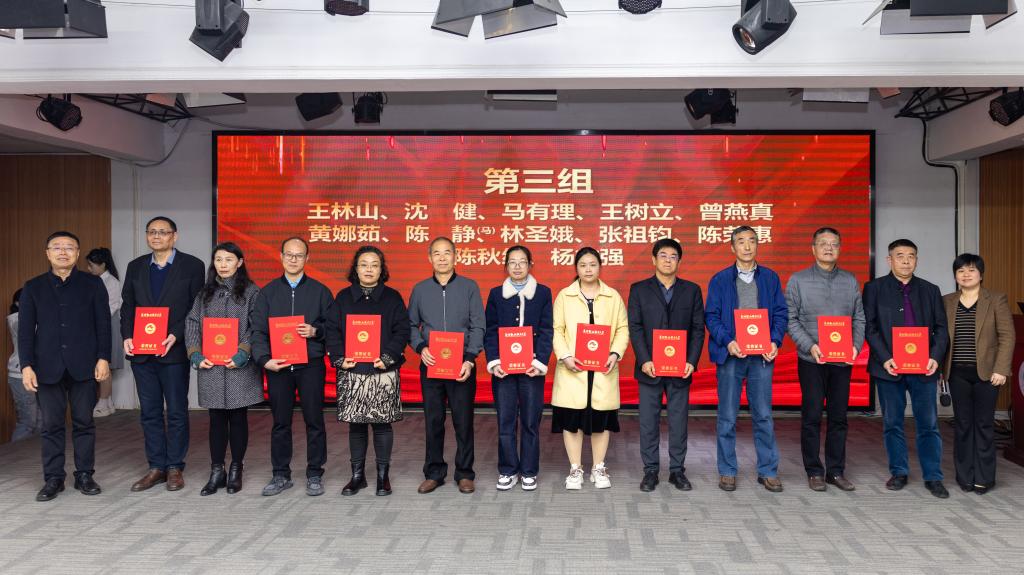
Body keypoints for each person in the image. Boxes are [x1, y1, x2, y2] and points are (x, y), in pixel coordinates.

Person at [19, 231, 111, 501]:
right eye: (56, 247)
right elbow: (25, 332)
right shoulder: (33, 287)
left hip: (85, 365)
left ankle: (84, 474)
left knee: (84, 422)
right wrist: (27, 366)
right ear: (47, 253)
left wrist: (103, 357)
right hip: (46, 367)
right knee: (51, 425)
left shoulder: (93, 284)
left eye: (69, 247)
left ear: (78, 253)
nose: (63, 252)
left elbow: (103, 324)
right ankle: (53, 478)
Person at [122, 216, 205, 492]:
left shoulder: (192, 265)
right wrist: (127, 336)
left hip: (173, 351)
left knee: (177, 411)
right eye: (152, 232)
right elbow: (128, 306)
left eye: (163, 232)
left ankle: (175, 467)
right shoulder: (135, 266)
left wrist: (176, 334)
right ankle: (156, 466)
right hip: (142, 353)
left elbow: (196, 308)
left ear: (174, 236)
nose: (157, 236)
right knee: (150, 412)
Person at [863, 239, 949, 498]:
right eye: (900, 255)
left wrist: (935, 357)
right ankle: (899, 472)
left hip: (924, 369)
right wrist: (885, 358)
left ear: (916, 260)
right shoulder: (874, 288)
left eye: (911, 256)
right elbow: (870, 327)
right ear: (889, 260)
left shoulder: (930, 290)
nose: (906, 260)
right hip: (889, 368)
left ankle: (933, 476)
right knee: (893, 423)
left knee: (928, 424)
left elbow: (941, 328)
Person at [705, 226, 788, 493]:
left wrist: (774, 341)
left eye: (752, 241)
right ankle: (727, 470)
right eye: (741, 242)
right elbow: (711, 316)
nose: (747, 246)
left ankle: (768, 471)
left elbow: (781, 313)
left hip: (761, 357)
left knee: (763, 415)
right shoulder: (720, 280)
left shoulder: (770, 278)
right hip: (731, 355)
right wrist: (728, 341)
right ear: (733, 247)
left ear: (757, 245)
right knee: (727, 416)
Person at [250, 237, 334, 497]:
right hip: (279, 366)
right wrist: (264, 360)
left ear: (307, 258)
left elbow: (333, 327)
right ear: (281, 257)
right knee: (280, 422)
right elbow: (257, 330)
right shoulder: (268, 292)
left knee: (314, 420)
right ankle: (280, 474)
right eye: (289, 254)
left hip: (311, 365)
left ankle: (314, 473)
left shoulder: (320, 291)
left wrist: (316, 331)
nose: (293, 259)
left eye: (299, 255)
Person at [325, 246, 411, 497]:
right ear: (356, 268)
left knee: (382, 425)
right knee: (356, 426)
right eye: (364, 264)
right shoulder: (343, 298)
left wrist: (388, 357)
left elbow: (402, 330)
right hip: (352, 370)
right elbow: (332, 330)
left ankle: (383, 477)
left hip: (382, 370)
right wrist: (339, 358)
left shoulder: (392, 297)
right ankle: (357, 476)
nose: (369, 269)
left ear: (382, 269)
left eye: (375, 265)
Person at [785, 228, 865, 492]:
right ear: (813, 248)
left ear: (840, 248)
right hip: (811, 360)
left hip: (842, 361)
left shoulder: (850, 280)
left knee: (839, 417)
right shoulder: (798, 280)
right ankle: (814, 471)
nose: (829, 248)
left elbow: (859, 318)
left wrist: (855, 347)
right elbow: (790, 319)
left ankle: (836, 471)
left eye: (834, 244)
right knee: (811, 416)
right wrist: (811, 346)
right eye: (823, 244)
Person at [408, 236, 486, 495]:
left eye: (447, 253)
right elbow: (410, 325)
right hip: (431, 364)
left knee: (463, 421)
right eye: (437, 253)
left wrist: (470, 359)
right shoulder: (420, 289)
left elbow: (478, 325)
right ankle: (434, 473)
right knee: (433, 420)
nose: (442, 258)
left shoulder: (469, 287)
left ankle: (464, 473)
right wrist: (421, 347)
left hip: (462, 364)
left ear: (455, 256)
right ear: (429, 258)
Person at [627, 238, 705, 492]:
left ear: (679, 261)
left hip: (680, 368)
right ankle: (650, 471)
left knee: (679, 421)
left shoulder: (691, 290)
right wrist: (644, 359)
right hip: (649, 368)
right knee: (648, 421)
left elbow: (697, 329)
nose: (668, 260)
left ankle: (676, 471)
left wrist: (691, 361)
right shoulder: (639, 289)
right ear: (653, 259)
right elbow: (635, 327)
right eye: (663, 255)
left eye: (673, 256)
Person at [184, 242, 262, 496]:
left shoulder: (251, 292)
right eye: (218, 259)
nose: (223, 264)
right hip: (212, 367)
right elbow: (192, 322)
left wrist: (243, 352)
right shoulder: (205, 293)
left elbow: (256, 325)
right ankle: (217, 471)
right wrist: (195, 354)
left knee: (238, 418)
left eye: (229, 259)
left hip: (239, 367)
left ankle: (236, 469)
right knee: (216, 419)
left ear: (239, 262)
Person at [551, 247, 629, 491]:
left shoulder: (612, 296)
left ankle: (598, 467)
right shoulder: (565, 296)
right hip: (573, 369)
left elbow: (622, 329)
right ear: (576, 268)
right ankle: (575, 468)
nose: (588, 269)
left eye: (593, 264)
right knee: (572, 420)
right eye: (583, 265)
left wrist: (615, 353)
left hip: (603, 369)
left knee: (601, 420)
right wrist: (565, 356)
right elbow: (557, 330)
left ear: (600, 267)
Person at [942, 253, 1015, 494]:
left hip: (988, 374)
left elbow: (1007, 336)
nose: (966, 275)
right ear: (955, 275)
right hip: (957, 373)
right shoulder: (947, 301)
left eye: (971, 270)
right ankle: (965, 476)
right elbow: (940, 337)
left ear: (981, 274)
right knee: (963, 425)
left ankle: (984, 478)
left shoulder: (995, 299)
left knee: (983, 424)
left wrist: (1001, 369)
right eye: (961, 271)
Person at [483, 245, 553, 491]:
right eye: (512, 262)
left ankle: (529, 471)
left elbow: (547, 330)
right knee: (505, 420)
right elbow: (490, 331)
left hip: (531, 369)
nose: (517, 266)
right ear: (506, 266)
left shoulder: (543, 293)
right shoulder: (496, 294)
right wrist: (494, 362)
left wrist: (539, 362)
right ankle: (508, 469)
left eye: (522, 261)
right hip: (504, 369)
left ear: (530, 264)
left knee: (531, 421)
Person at [86, 247, 122, 418]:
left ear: (102, 265)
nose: (89, 269)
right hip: (98, 325)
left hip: (108, 325)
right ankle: (107, 403)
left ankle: (103, 402)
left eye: (91, 265)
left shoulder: (112, 282)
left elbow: (111, 308)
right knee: (102, 365)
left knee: (105, 364)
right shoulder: (96, 281)